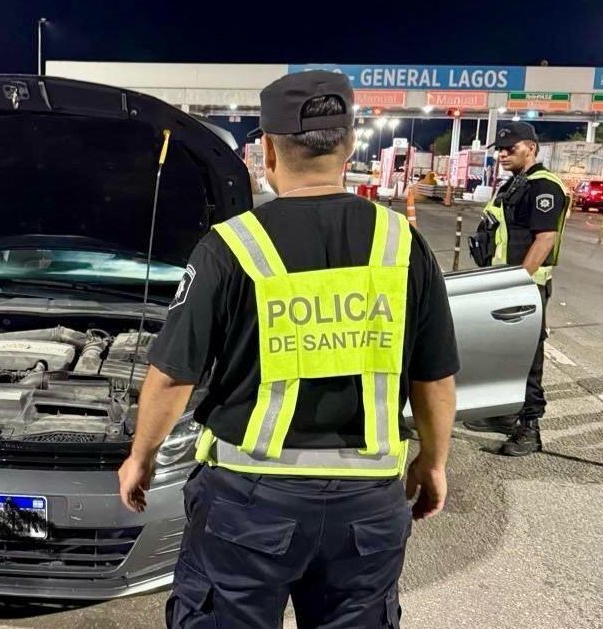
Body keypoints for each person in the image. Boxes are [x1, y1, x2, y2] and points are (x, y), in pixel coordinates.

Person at [117, 70, 460, 629]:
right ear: (349, 145)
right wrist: (435, 462)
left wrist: (142, 458)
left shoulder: (229, 247)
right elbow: (435, 378)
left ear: (268, 151)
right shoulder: (404, 245)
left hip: (249, 506)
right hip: (366, 506)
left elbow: (173, 376)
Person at [463, 122, 571, 456]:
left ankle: (530, 429)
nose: (503, 154)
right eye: (501, 148)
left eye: (510, 148)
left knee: (527, 356)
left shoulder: (544, 187)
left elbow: (545, 239)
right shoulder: (516, 184)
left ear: (531, 148)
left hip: (525, 285)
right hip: (503, 281)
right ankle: (504, 414)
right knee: (502, 352)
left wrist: (517, 283)